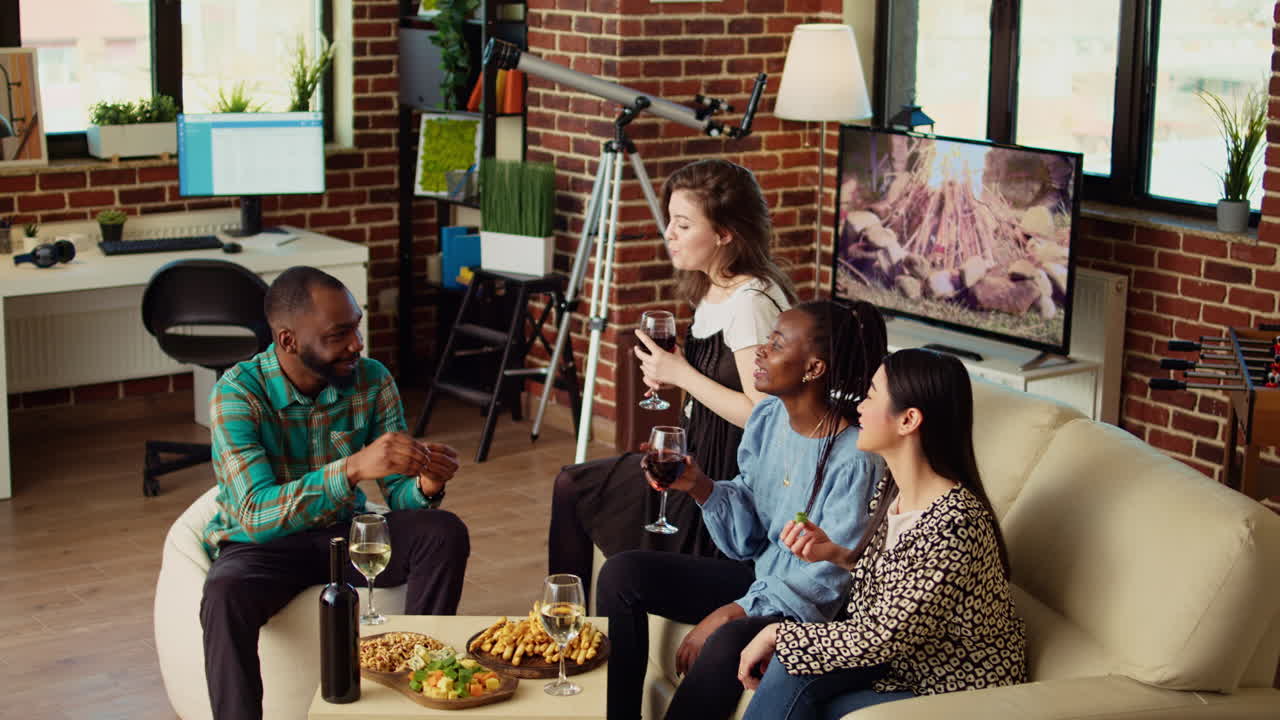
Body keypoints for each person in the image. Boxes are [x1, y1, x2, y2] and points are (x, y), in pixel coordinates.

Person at [199, 266, 471, 720]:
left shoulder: (372, 379)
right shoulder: (238, 393)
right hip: (264, 546)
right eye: (338, 334)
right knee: (224, 593)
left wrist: (426, 485)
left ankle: (420, 689)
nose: (356, 344)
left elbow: (398, 494)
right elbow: (255, 513)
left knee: (442, 532)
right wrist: (352, 467)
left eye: (356, 326)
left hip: (346, 533)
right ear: (288, 341)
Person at [597, 300, 890, 720]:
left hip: (807, 610)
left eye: (776, 343)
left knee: (727, 639)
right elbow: (747, 540)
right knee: (622, 574)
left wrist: (731, 611)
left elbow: (827, 583)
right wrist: (699, 486)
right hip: (763, 577)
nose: (760, 351)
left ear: (814, 369)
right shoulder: (769, 416)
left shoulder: (856, 459)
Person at [548, 158, 798, 595]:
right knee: (572, 484)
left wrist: (682, 373)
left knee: (577, 488)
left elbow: (765, 414)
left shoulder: (752, 301)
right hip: (694, 452)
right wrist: (676, 374)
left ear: (725, 234)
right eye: (670, 221)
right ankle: (561, 619)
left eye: (683, 225)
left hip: (724, 477)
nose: (669, 234)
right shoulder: (713, 286)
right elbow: (715, 387)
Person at [737, 349, 1027, 720]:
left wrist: (777, 633)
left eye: (872, 394)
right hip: (901, 664)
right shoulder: (895, 491)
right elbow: (901, 586)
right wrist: (838, 554)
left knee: (810, 688)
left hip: (948, 688)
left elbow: (882, 636)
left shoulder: (955, 524)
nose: (860, 406)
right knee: (794, 669)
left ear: (908, 420)